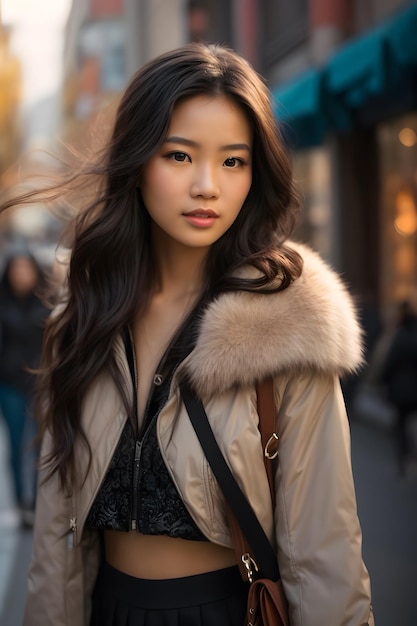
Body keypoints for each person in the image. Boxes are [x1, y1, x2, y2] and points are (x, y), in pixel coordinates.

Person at [5, 43, 374, 625]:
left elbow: (326, 556)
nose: (208, 185)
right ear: (138, 159)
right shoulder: (85, 318)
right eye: (179, 156)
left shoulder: (289, 319)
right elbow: (56, 547)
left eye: (233, 161)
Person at [0, 249, 48, 525]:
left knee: (44, 446)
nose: (21, 274)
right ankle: (22, 501)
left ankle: (42, 500)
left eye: (25, 268)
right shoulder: (2, 302)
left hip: (41, 384)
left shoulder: (47, 302)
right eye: (15, 269)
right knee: (17, 446)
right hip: (8, 385)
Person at [380, 299, 417, 475]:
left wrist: (384, 381)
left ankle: (405, 457)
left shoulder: (401, 335)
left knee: (401, 424)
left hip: (402, 388)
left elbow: (391, 362)